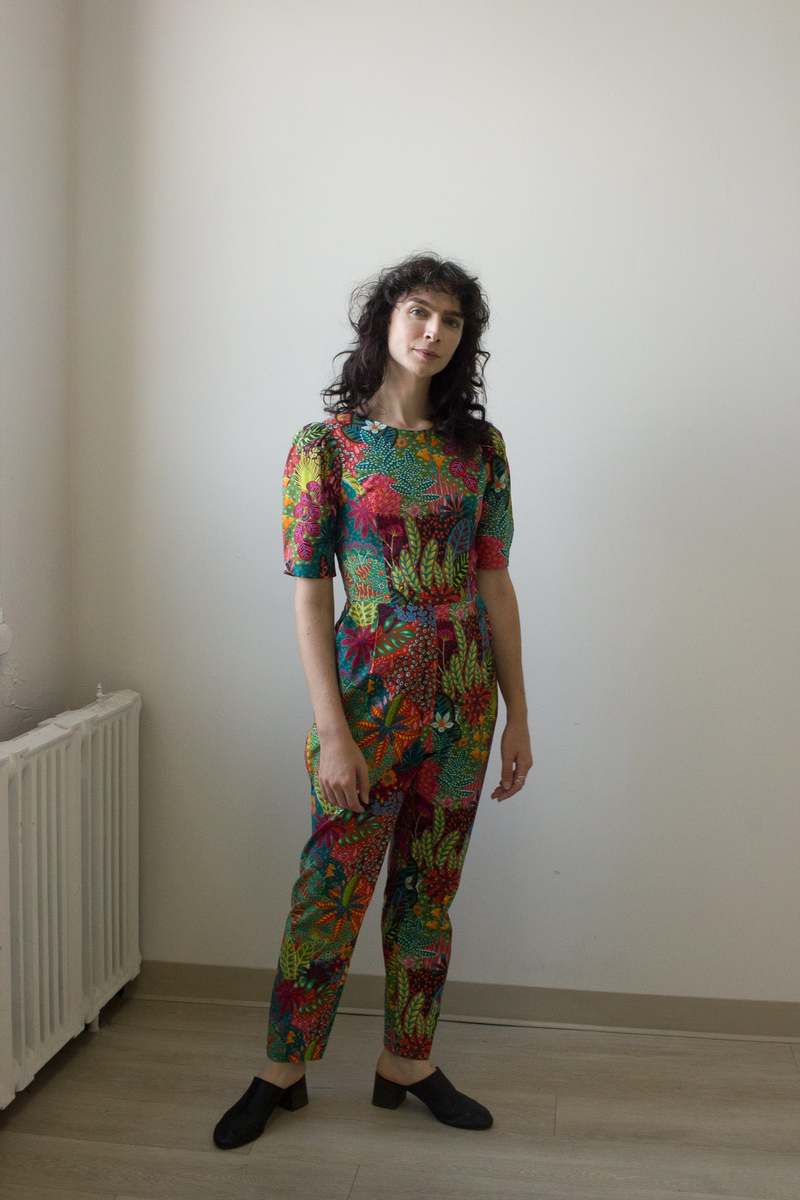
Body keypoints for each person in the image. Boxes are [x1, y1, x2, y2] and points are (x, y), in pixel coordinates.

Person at [214, 252, 533, 1149]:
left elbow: (495, 584)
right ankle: (283, 1070)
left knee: (429, 893)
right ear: (385, 321)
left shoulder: (481, 449)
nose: (434, 332)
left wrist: (518, 713)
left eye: (452, 321)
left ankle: (407, 1062)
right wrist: (332, 729)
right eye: (419, 312)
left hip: (464, 704)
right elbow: (310, 593)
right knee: (331, 888)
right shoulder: (326, 447)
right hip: (366, 701)